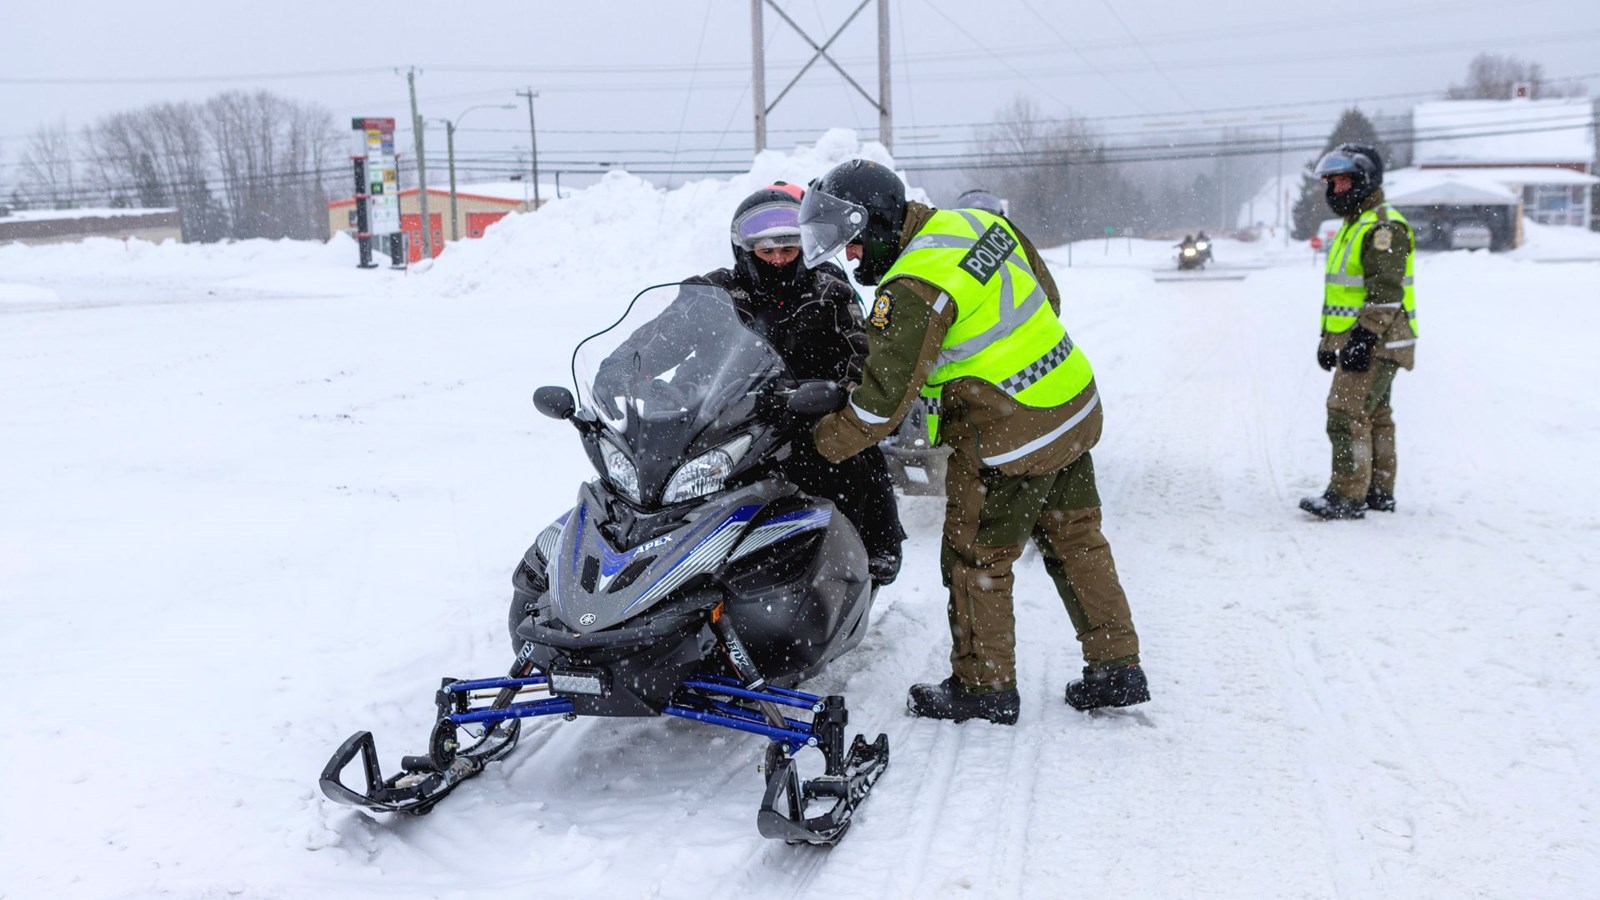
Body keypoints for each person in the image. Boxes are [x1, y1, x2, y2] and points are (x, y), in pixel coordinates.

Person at [798, 159, 1147, 724]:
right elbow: (1048, 297)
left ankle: (984, 687)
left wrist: (818, 447)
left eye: (855, 244)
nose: (851, 257)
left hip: (1007, 438)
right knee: (1077, 541)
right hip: (1071, 406)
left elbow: (877, 408)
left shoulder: (911, 286)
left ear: (882, 223)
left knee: (974, 558)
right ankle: (1117, 666)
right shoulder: (976, 225)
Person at [698, 182, 906, 585]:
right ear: (746, 250)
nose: (778, 260)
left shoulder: (829, 290)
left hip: (809, 414)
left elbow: (863, 354)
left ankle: (879, 544)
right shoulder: (720, 290)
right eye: (767, 251)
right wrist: (633, 369)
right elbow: (672, 336)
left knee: (859, 454)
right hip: (738, 413)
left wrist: (834, 391)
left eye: (788, 250)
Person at [1299, 144, 1417, 520]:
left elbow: (1385, 291)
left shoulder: (1382, 226)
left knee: (1345, 411)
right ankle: (1378, 491)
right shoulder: (1356, 223)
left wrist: (1363, 339)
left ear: (1365, 180)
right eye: (1330, 183)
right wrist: (1328, 341)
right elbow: (1342, 294)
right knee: (1375, 413)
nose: (1335, 190)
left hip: (1378, 339)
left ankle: (1346, 495)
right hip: (1372, 338)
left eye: (1343, 181)